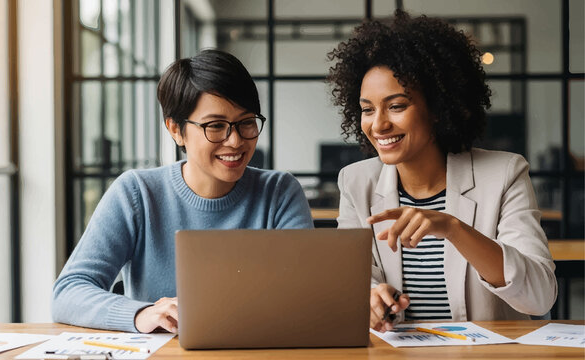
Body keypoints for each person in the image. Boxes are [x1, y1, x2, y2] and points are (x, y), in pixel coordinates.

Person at [52, 49, 314, 333]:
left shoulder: (280, 192)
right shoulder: (137, 193)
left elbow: (307, 296)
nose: (236, 140)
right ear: (176, 129)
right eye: (216, 126)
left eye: (246, 122)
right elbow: (68, 292)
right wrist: (143, 313)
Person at [327, 10, 557, 332]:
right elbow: (349, 281)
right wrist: (371, 298)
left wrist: (453, 228)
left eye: (396, 106)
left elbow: (539, 297)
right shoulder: (356, 182)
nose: (378, 124)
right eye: (367, 110)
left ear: (437, 108)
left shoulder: (505, 174)